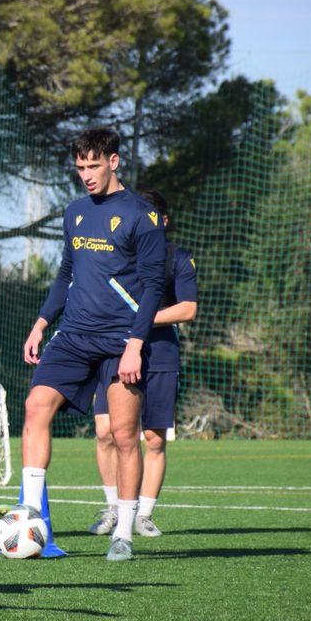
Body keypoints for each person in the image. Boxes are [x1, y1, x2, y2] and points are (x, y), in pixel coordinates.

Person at [20, 128, 165, 561]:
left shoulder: (143, 215)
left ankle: (123, 532)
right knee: (35, 408)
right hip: (74, 336)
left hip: (121, 341)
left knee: (123, 436)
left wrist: (137, 344)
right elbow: (66, 272)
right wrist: (42, 323)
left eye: (93, 166)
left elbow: (156, 285)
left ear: (114, 162)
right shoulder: (76, 212)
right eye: (80, 166)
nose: (85, 174)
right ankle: (29, 512)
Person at [91, 189, 197, 537]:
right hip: (116, 350)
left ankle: (143, 515)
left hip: (161, 355)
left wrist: (145, 319)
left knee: (152, 438)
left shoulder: (177, 258)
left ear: (163, 221)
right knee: (106, 432)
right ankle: (112, 509)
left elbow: (188, 309)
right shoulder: (120, 257)